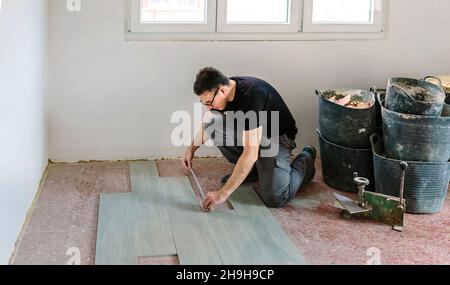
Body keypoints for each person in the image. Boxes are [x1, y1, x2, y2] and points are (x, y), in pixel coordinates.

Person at [181, 67, 316, 211]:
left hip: (277, 138)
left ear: (222, 90)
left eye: (209, 102)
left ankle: (306, 158)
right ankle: (255, 171)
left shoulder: (252, 95)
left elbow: (250, 153)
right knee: (212, 124)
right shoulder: (224, 90)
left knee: (276, 197)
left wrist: (223, 193)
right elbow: (209, 120)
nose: (209, 107)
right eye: (205, 104)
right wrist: (191, 149)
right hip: (252, 134)